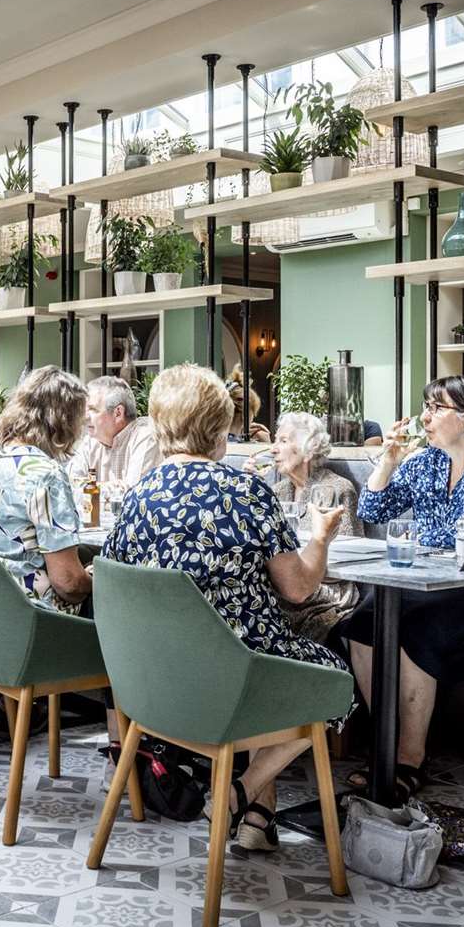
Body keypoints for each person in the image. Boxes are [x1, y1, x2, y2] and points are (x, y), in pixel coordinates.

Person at [101, 364, 352, 852]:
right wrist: (320, 538)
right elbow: (299, 589)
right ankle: (237, 793)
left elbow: (113, 581)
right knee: (331, 679)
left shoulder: (138, 498)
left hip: (154, 685)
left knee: (270, 656)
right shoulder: (245, 491)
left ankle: (258, 813)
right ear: (219, 428)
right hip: (236, 679)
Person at [338, 373, 464, 801]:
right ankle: (385, 744)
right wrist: (388, 460)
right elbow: (372, 509)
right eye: (426, 407)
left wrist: (418, 538)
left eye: (435, 408)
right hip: (432, 585)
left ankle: (410, 759)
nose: (424, 417)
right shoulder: (424, 462)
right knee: (363, 622)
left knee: (419, 627)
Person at [0, 366, 92, 613]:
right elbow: (68, 584)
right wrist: (97, 579)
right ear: (63, 420)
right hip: (36, 618)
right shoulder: (45, 474)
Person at [243, 412, 363, 643]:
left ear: (309, 448)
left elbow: (348, 558)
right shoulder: (276, 491)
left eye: (284, 441)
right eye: (275, 440)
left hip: (323, 596)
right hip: (284, 587)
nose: (273, 449)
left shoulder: (336, 489)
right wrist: (252, 489)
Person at [68, 376, 160, 489]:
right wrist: (117, 486)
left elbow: (134, 494)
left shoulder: (145, 436)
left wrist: (90, 487)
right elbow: (69, 485)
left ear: (118, 413)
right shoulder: (91, 440)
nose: (85, 416)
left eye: (92, 409)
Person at [226, 369, 272, 443]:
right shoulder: (244, 445)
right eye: (253, 412)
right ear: (246, 415)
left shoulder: (213, 441)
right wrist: (266, 444)